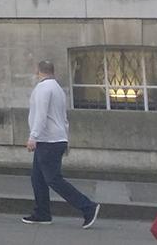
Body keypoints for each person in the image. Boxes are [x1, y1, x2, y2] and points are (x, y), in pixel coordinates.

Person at [22, 59, 100, 228]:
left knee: (53, 179)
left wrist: (33, 137)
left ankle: (88, 207)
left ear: (38, 71)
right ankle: (42, 213)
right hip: (56, 138)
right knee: (37, 178)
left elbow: (40, 115)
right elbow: (63, 118)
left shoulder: (43, 88)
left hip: (47, 140)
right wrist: (66, 139)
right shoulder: (58, 89)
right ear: (52, 71)